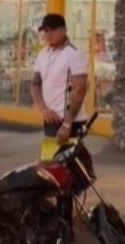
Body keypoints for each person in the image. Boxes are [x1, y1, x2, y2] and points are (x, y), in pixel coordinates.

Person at [30, 13, 88, 146]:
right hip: (50, 119)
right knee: (51, 162)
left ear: (63, 30)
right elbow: (35, 84)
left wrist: (67, 124)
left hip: (71, 122)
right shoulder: (43, 54)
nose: (48, 34)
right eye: (45, 31)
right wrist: (44, 110)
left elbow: (80, 91)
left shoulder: (74, 53)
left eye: (52, 30)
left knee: (70, 163)